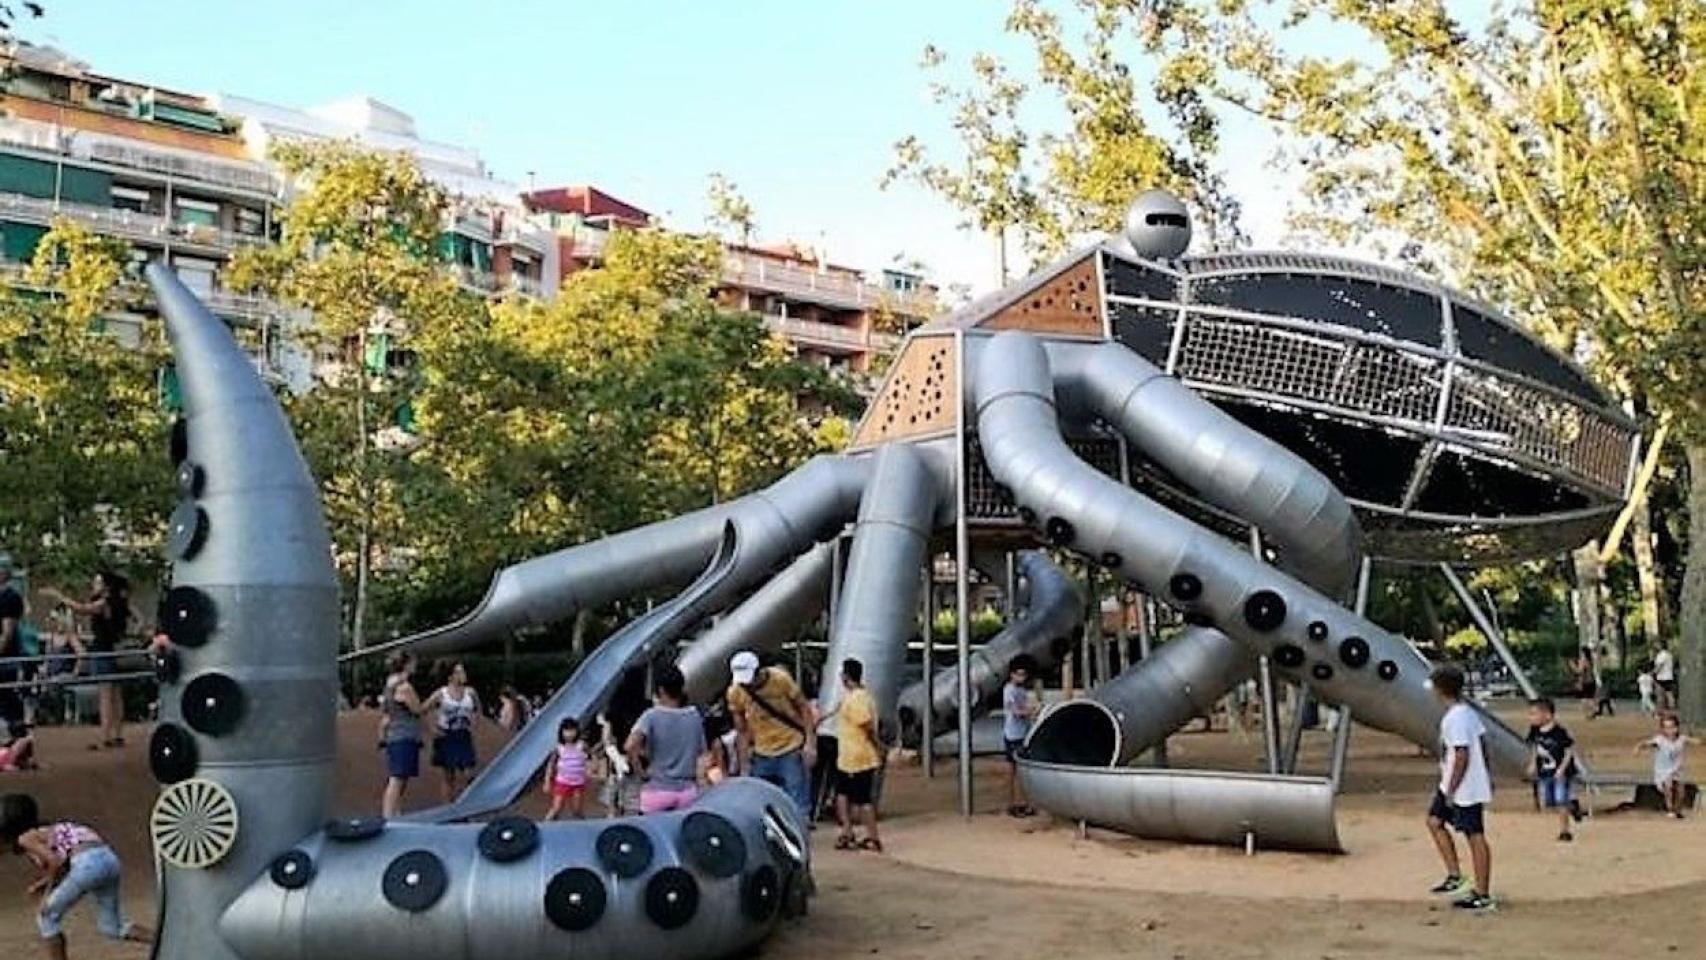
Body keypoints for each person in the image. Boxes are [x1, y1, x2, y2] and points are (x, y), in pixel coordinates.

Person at [2, 793, 153, 959]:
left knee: (47, 917)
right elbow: (65, 864)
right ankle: (164, 941)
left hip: (87, 864)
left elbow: (56, 863)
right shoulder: (49, 830)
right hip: (108, 860)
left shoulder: (26, 838)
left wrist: (48, 894)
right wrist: (44, 883)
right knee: (112, 927)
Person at [1424, 665, 1495, 912]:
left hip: (1463, 787)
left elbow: (1462, 753)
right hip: (1455, 783)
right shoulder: (1466, 713)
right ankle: (1455, 875)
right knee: (1434, 821)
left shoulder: (1456, 718)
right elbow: (1483, 744)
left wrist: (1452, 789)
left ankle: (1483, 893)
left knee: (1474, 834)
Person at [726, 651, 817, 823]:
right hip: (761, 751)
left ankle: (799, 832)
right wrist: (744, 763)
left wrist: (810, 743)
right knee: (758, 802)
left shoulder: (780, 680)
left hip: (790, 746)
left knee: (797, 801)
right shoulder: (736, 691)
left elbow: (804, 708)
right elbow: (741, 730)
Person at [43, 572, 131, 749]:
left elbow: (81, 609)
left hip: (102, 649)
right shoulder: (120, 602)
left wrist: (59, 596)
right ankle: (118, 734)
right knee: (116, 693)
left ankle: (106, 735)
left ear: (106, 586)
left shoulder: (104, 603)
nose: (94, 584)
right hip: (114, 648)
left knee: (106, 694)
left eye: (97, 582)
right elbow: (137, 619)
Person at [626, 665, 707, 814]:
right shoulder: (694, 715)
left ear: (661, 690)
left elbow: (630, 745)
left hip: (657, 789)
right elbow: (702, 753)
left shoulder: (651, 715)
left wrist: (641, 772)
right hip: (687, 791)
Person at [828, 658, 883, 852]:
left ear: (845, 676)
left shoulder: (857, 698)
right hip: (848, 756)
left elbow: (866, 724)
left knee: (861, 799)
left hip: (857, 757)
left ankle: (872, 836)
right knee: (843, 794)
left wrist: (877, 745)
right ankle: (847, 830)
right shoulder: (857, 695)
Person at [421, 662, 483, 803]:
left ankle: (468, 804)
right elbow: (423, 710)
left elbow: (478, 709)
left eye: (463, 671)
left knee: (469, 773)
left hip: (463, 735)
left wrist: (475, 725)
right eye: (459, 672)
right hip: (446, 735)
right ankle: (448, 807)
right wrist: (431, 729)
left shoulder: (470, 693)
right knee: (448, 776)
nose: (463, 675)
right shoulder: (441, 693)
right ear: (451, 676)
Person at [1524, 698, 1578, 842]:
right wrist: (1533, 763)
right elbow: (1535, 747)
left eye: (1534, 714)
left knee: (1561, 799)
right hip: (1545, 771)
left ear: (1547, 715)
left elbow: (1569, 750)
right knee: (1549, 801)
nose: (1531, 717)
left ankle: (1565, 831)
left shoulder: (1559, 732)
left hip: (1561, 772)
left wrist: (1562, 768)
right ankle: (1572, 805)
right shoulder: (1534, 731)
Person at [378, 652, 425, 817]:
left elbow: (386, 715)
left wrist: (382, 735)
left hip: (395, 733)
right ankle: (389, 814)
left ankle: (395, 812)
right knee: (397, 777)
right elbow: (417, 709)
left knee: (400, 776)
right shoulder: (404, 687)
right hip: (404, 734)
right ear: (406, 665)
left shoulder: (389, 685)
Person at [1635, 713, 1700, 819]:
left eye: (1672, 727)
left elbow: (1696, 741)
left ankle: (1677, 809)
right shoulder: (1660, 740)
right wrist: (1638, 747)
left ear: (1677, 728)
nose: (1670, 730)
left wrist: (1698, 740)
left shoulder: (1681, 739)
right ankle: (1670, 809)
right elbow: (1646, 743)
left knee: (1681, 790)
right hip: (1663, 772)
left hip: (1677, 771)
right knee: (1668, 785)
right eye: (1667, 728)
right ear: (1663, 729)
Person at [1002, 655, 1040, 818]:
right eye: (1019, 674)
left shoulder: (1022, 691)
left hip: (1023, 733)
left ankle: (1023, 802)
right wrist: (1031, 711)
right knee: (1014, 770)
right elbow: (1015, 711)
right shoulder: (1009, 690)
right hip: (1013, 735)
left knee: (1021, 771)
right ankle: (1012, 803)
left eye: (1023, 674)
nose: (1021, 677)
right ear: (1012, 674)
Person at [542, 717, 589, 820]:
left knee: (577, 809)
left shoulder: (582, 745)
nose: (570, 734)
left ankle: (584, 827)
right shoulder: (559, 748)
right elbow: (550, 764)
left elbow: (591, 756)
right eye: (566, 731)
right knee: (556, 808)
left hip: (578, 783)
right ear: (562, 732)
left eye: (572, 730)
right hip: (563, 782)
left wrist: (591, 768)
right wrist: (547, 781)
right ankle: (546, 824)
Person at [0, 556, 26, 727]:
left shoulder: (10, 598)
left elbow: (7, 633)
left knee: (7, 699)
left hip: (6, 658)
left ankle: (18, 740)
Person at [1653, 643, 1677, 712]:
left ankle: (1661, 709)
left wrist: (1654, 673)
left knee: (1659, 693)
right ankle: (1671, 707)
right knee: (1668, 692)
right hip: (1669, 676)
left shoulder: (1662, 655)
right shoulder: (1669, 654)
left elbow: (1659, 666)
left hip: (1662, 676)